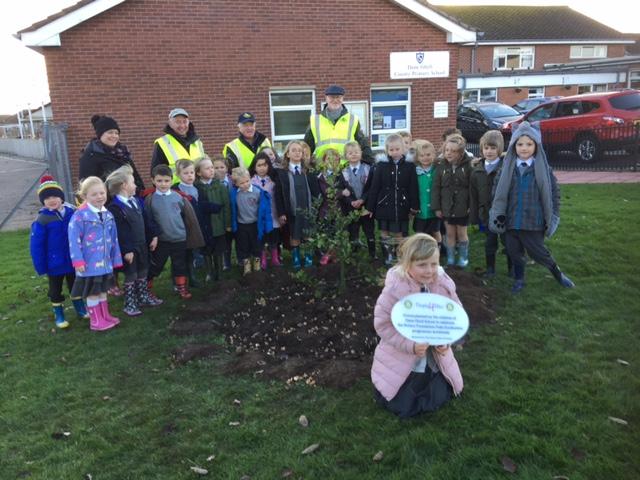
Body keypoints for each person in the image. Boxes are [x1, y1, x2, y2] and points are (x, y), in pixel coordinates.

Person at [371, 233, 463, 418]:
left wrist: (445, 341)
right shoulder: (394, 290)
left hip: (434, 358)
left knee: (437, 395)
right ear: (407, 264)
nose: (429, 270)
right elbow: (383, 325)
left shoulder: (443, 285)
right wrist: (410, 346)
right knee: (405, 404)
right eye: (421, 265)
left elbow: (454, 316)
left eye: (434, 264)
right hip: (403, 358)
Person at [489, 121, 575, 294]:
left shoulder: (543, 169)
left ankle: (557, 273)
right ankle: (519, 279)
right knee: (514, 252)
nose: (524, 148)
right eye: (520, 144)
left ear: (536, 146)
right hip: (511, 220)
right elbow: (496, 191)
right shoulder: (507, 169)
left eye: (529, 144)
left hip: (532, 221)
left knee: (539, 252)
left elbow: (553, 194)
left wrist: (553, 214)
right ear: (514, 145)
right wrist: (498, 212)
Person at [30, 175, 88, 328]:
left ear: (61, 197)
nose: (52, 200)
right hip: (54, 263)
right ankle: (59, 314)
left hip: (72, 260)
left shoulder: (72, 212)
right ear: (43, 201)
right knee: (55, 290)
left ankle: (80, 308)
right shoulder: (42, 220)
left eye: (55, 195)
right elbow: (37, 246)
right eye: (47, 197)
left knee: (76, 285)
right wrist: (41, 266)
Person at [106, 165, 163, 317]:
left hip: (142, 244)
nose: (136, 185)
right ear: (124, 186)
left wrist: (154, 235)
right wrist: (127, 250)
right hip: (130, 249)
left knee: (143, 270)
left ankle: (143, 296)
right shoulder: (115, 208)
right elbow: (120, 232)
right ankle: (129, 303)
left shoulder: (137, 201)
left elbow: (147, 220)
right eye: (133, 182)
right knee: (131, 274)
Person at [68, 177, 123, 331]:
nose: (99, 197)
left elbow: (114, 239)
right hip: (88, 265)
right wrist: (78, 261)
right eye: (94, 194)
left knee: (102, 290)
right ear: (85, 197)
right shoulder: (80, 216)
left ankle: (105, 315)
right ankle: (96, 321)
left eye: (102, 193)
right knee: (93, 293)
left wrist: (115, 258)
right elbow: (73, 240)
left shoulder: (108, 215)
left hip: (105, 263)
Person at [145, 165, 204, 300]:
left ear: (171, 181)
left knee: (180, 264)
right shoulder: (150, 199)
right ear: (153, 180)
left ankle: (181, 288)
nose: (163, 184)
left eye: (166, 181)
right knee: (156, 265)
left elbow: (187, 217)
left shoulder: (178, 197)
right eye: (159, 181)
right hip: (162, 240)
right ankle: (146, 289)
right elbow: (149, 219)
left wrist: (189, 235)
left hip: (179, 238)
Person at [366, 133, 419, 266]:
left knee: (400, 233)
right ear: (387, 150)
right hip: (384, 204)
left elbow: (413, 187)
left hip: (402, 205)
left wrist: (414, 206)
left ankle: (400, 257)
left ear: (403, 149)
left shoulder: (409, 166)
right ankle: (388, 257)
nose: (394, 152)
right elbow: (375, 187)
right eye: (391, 150)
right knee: (384, 232)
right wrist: (370, 208)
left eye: (397, 149)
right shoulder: (381, 166)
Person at [172, 159, 221, 287]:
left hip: (199, 226)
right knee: (185, 255)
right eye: (185, 173)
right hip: (183, 227)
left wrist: (216, 207)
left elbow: (202, 205)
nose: (189, 175)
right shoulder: (175, 190)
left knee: (199, 250)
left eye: (191, 172)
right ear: (178, 175)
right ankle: (186, 279)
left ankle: (200, 275)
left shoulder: (198, 188)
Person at [469, 130, 511, 278]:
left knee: (509, 243)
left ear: (500, 149)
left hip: (504, 214)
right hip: (486, 214)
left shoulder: (506, 168)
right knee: (490, 243)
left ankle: (512, 270)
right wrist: (474, 217)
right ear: (481, 149)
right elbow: (473, 196)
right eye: (486, 148)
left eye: (493, 148)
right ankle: (491, 269)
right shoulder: (476, 171)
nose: (489, 151)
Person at [274, 140, 321, 269]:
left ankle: (308, 257)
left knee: (308, 234)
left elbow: (316, 192)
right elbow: (278, 195)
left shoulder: (309, 172)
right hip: (292, 210)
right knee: (294, 235)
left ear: (302, 154)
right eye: (293, 150)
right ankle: (296, 258)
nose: (297, 153)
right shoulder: (282, 173)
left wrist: (316, 207)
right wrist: (281, 212)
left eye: (299, 151)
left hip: (308, 209)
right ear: (287, 154)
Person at [431, 134, 472, 268]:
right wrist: (437, 207)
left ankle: (463, 258)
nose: (449, 153)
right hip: (447, 207)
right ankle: (450, 259)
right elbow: (436, 188)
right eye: (447, 150)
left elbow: (472, 188)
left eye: (453, 151)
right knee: (449, 233)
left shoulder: (468, 167)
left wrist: (470, 206)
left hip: (462, 208)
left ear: (460, 153)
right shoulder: (440, 167)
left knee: (461, 233)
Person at [304, 85, 374, 164]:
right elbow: (307, 147)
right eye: (332, 97)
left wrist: (372, 163)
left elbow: (363, 144)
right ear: (326, 98)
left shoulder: (352, 120)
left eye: (338, 97)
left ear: (342, 98)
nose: (335, 100)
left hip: (346, 169)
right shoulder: (315, 120)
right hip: (322, 169)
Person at [79, 115, 145, 195]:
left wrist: (141, 194)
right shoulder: (90, 155)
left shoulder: (123, 153)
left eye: (116, 133)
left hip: (131, 199)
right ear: (100, 135)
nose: (114, 136)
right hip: (107, 202)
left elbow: (135, 177)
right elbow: (86, 185)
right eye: (110, 132)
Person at [230, 167, 273, 275]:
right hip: (241, 225)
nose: (245, 184)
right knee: (243, 246)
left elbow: (265, 210)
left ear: (250, 178)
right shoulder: (234, 194)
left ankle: (257, 265)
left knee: (257, 245)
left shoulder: (258, 192)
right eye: (241, 183)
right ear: (236, 184)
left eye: (247, 181)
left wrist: (267, 225)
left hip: (255, 225)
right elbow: (232, 210)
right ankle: (247, 266)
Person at [194, 156, 231, 282]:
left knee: (219, 249)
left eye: (212, 167)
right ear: (198, 172)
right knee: (206, 249)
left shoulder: (220, 186)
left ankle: (219, 271)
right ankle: (209, 272)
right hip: (204, 225)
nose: (211, 170)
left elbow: (226, 205)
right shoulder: (196, 188)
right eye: (207, 168)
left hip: (218, 223)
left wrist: (227, 223)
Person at [336, 141, 376, 259]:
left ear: (361, 153)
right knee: (353, 231)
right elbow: (340, 189)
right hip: (350, 207)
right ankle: (354, 253)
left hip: (366, 207)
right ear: (345, 156)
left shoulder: (369, 169)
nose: (353, 155)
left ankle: (372, 254)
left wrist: (363, 200)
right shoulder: (342, 172)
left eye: (356, 152)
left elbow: (372, 188)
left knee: (369, 231)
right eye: (350, 153)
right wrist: (350, 201)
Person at [151, 108, 205, 183]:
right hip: (176, 189)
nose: (182, 125)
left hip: (199, 187)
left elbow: (204, 164)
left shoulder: (197, 142)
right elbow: (156, 172)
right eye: (178, 122)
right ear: (170, 124)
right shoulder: (162, 143)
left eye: (184, 122)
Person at [249, 151, 282, 268]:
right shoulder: (251, 182)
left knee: (273, 239)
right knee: (261, 239)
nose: (262, 168)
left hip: (272, 215)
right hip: (259, 216)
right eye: (259, 165)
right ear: (254, 167)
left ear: (269, 166)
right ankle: (263, 259)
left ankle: (274, 258)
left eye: (264, 165)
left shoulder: (273, 181)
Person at [412, 140, 441, 247]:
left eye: (428, 154)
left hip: (434, 209)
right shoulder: (415, 171)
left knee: (436, 231)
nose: (425, 157)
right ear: (417, 157)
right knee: (420, 233)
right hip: (420, 210)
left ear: (433, 155)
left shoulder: (437, 169)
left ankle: (436, 252)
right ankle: (421, 252)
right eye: (422, 155)